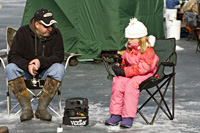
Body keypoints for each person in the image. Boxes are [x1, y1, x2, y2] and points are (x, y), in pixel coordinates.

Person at [4, 8, 66, 122]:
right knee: (10, 68)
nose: (50, 28)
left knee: (59, 68)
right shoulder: (23, 32)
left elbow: (59, 56)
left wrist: (40, 61)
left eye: (51, 25)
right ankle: (26, 109)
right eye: (47, 26)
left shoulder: (56, 33)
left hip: (45, 73)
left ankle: (41, 109)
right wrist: (28, 65)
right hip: (25, 73)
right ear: (37, 24)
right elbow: (12, 56)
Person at [105, 18, 159, 128]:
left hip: (146, 74)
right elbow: (127, 61)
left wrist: (124, 71)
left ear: (140, 38)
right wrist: (120, 60)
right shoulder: (130, 48)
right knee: (118, 81)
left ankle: (128, 117)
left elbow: (144, 68)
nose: (129, 40)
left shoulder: (148, 50)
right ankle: (116, 114)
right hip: (132, 73)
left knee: (131, 85)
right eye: (128, 38)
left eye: (132, 38)